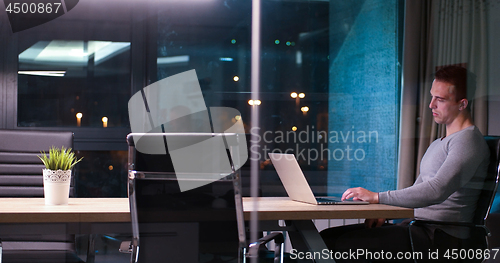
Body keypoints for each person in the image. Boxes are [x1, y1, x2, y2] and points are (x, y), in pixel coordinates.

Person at [320, 65, 490, 262]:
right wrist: (388, 211)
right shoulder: (439, 143)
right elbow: (419, 188)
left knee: (336, 245)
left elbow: (436, 191)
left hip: (441, 238)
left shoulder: (467, 141)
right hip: (419, 227)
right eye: (432, 96)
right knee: (326, 238)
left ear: (462, 104)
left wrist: (376, 197)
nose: (431, 105)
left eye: (440, 99)